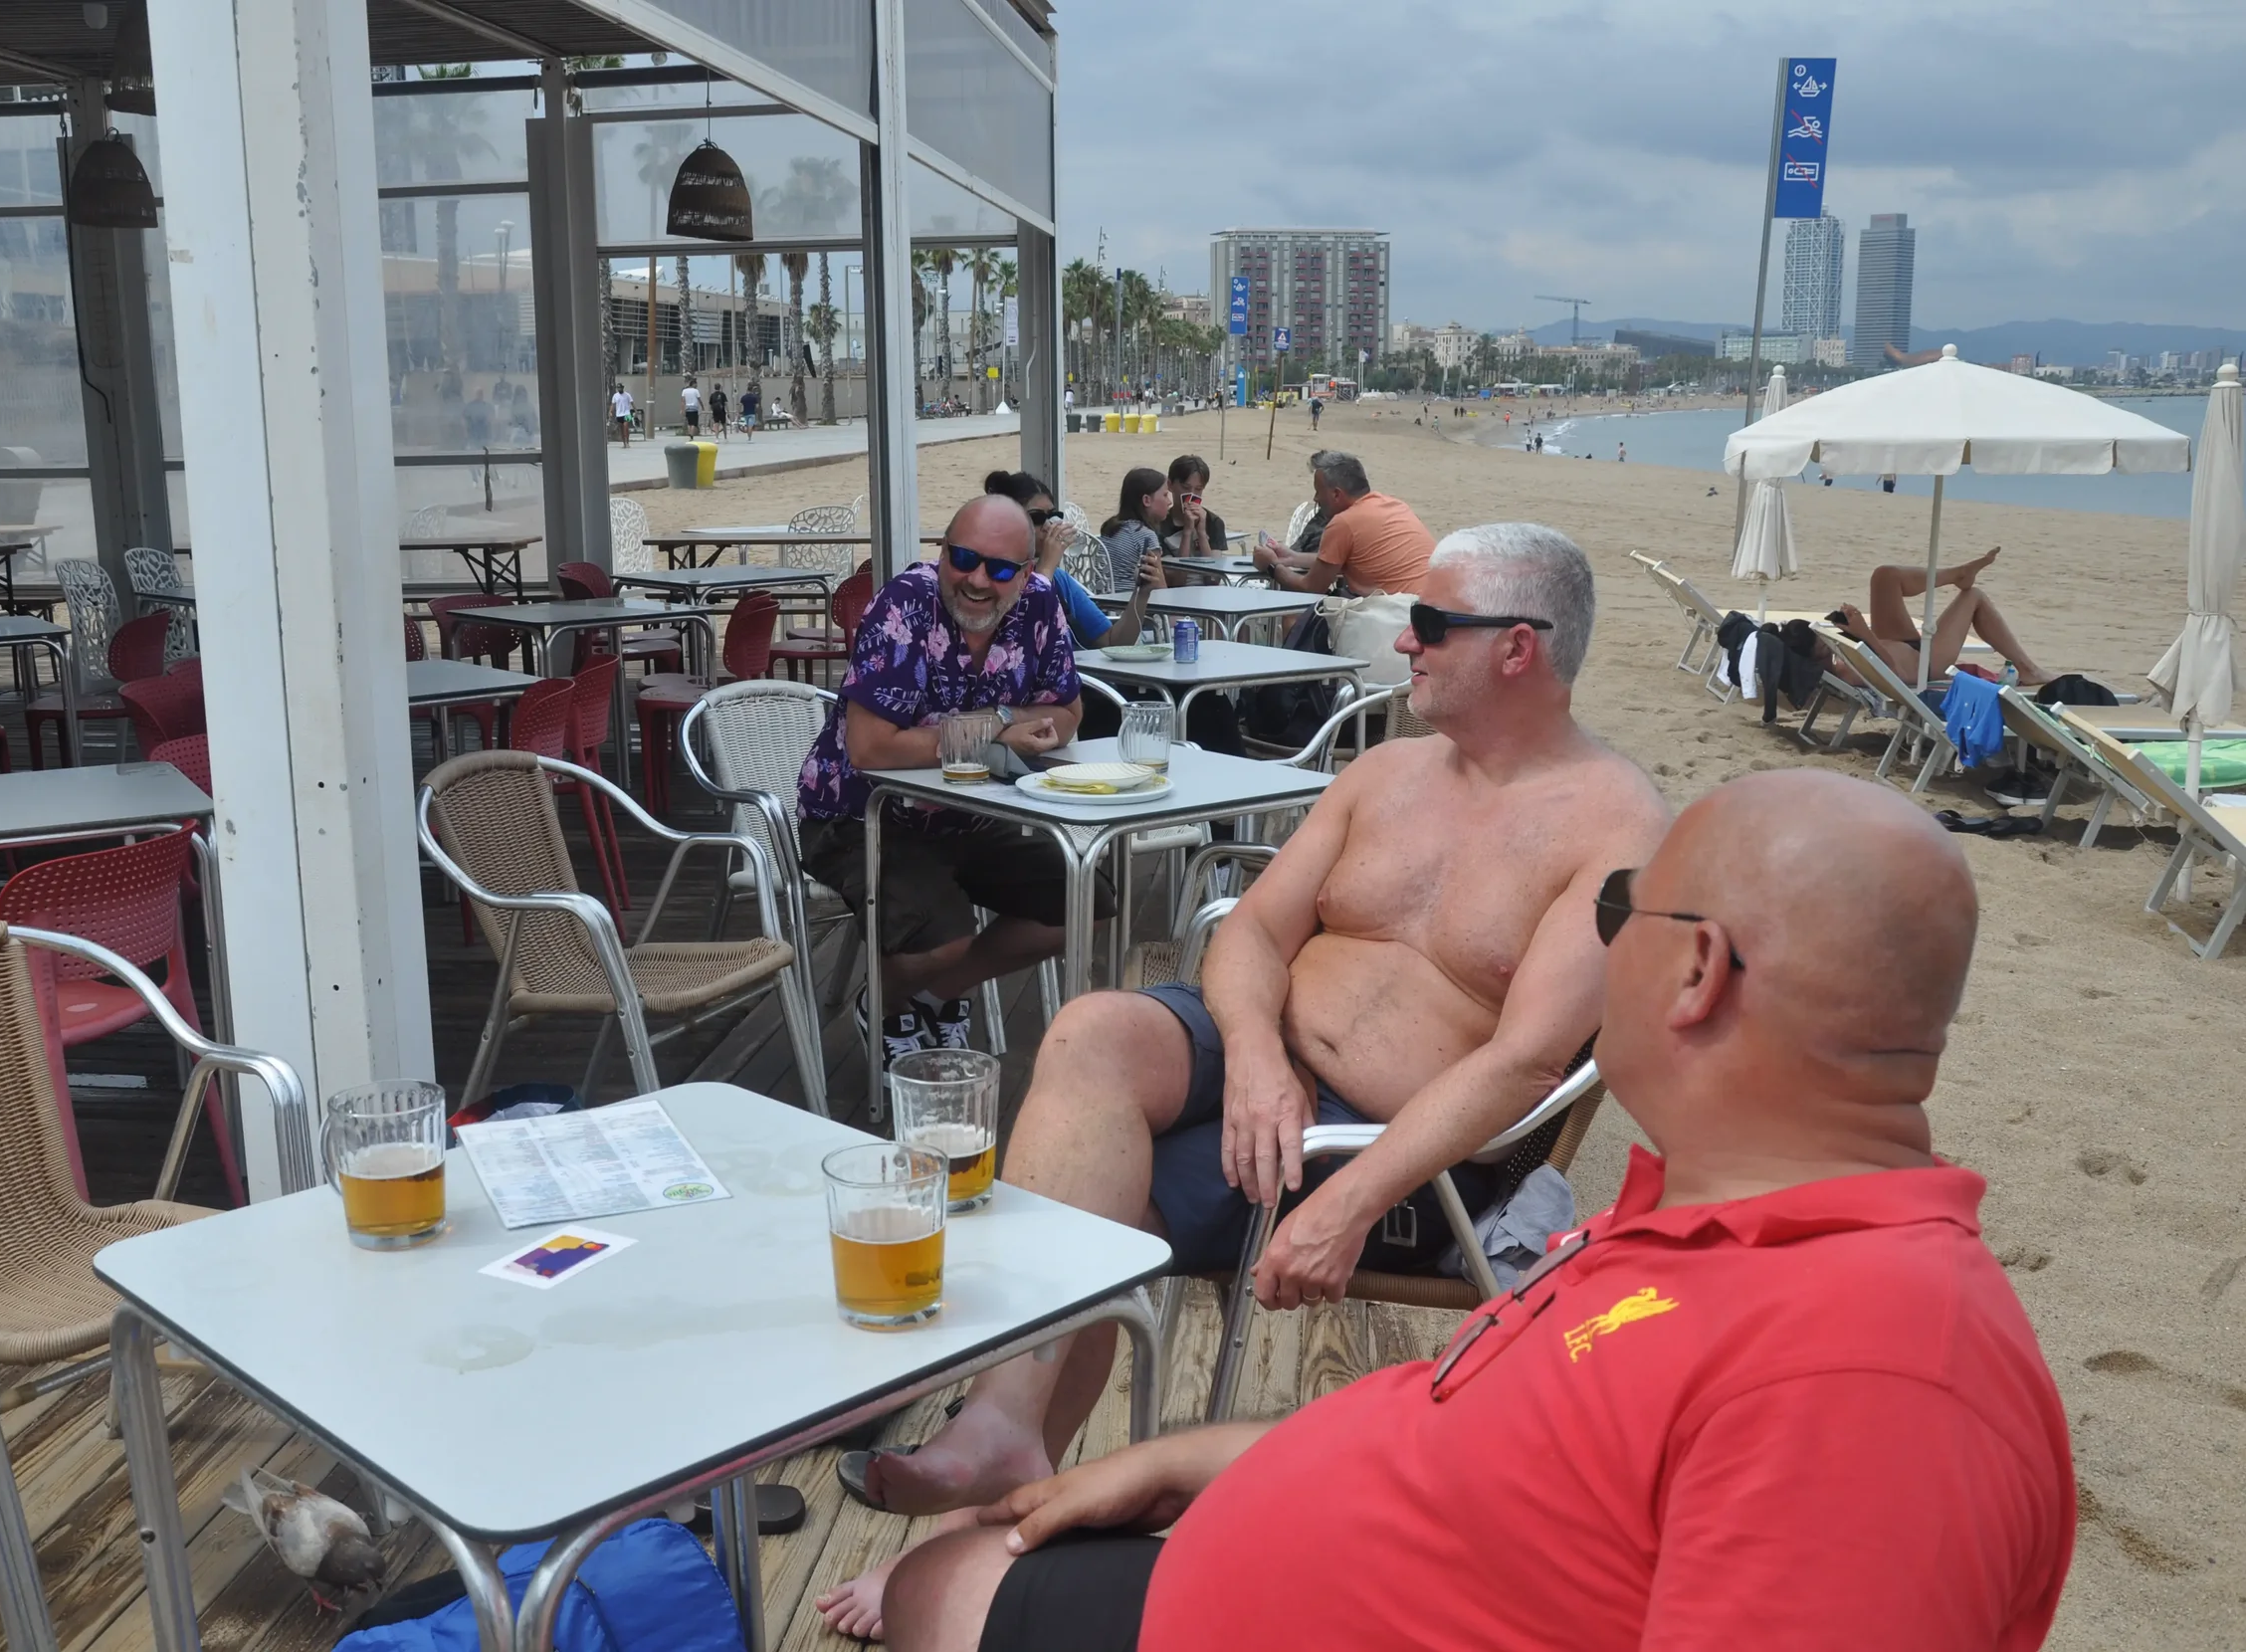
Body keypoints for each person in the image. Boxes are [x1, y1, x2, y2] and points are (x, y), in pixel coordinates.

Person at [873, 769, 2076, 1652]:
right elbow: (1515, 1475)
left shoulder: (1874, 1384)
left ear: (1698, 971)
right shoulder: (1727, 1225)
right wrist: (1208, 1460)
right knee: (951, 1575)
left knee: (946, 1590)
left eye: (1620, 918)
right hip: (1297, 1556)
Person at [817, 524, 1667, 1640]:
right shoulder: (1385, 770)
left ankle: (989, 1520)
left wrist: (1353, 1200)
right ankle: (1003, 1427)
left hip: (1394, 1148)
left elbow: (1527, 1063)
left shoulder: (1616, 826)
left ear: (1518, 648)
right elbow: (1253, 930)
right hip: (1263, 1065)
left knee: (1107, 1203)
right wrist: (1257, 1058)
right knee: (1091, 1031)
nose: (1402, 639)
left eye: (1431, 624)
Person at [797, 495, 1097, 1060]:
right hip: (860, 815)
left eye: (1001, 568)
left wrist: (1000, 720)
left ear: (1026, 573)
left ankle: (932, 997)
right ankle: (889, 1006)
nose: (978, 580)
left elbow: (1067, 713)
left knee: (1083, 901)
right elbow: (871, 748)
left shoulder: (1039, 605)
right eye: (963, 559)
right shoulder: (905, 605)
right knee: (944, 937)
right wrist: (990, 734)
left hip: (974, 812)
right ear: (942, 553)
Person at [984, 471, 1161, 651]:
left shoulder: (1059, 580)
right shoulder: (995, 579)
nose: (1049, 526)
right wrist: (1046, 566)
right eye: (1037, 518)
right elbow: (1021, 648)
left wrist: (1141, 593)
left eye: (1053, 516)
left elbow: (1113, 642)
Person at [1827, 547, 2047, 687]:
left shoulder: (1836, 659)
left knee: (1885, 575)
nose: (1822, 643)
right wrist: (1864, 633)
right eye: (1819, 645)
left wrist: (1853, 630)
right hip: (1927, 665)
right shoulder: (1845, 673)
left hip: (1898, 644)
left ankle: (1957, 574)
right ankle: (2029, 670)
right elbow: (1895, 674)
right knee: (1973, 596)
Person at [1250, 450, 1434, 597]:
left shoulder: (1344, 523)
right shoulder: (1394, 505)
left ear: (1336, 494)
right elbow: (1336, 560)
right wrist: (1292, 558)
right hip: (1429, 610)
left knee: (1294, 615)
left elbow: (1310, 588)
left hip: (1395, 618)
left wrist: (1272, 566)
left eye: (1318, 492)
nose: (1315, 498)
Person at [1097, 468, 1173, 590]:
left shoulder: (1110, 528)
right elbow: (1160, 588)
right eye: (1165, 495)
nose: (1169, 502)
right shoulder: (1145, 536)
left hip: (1103, 603)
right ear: (1147, 500)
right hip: (1131, 605)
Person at [1159, 455, 1226, 559]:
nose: (1191, 494)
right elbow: (1176, 573)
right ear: (1170, 485)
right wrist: (1187, 531)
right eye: (1185, 487)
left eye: (1198, 489)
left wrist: (1202, 533)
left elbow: (1214, 572)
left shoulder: (1213, 522)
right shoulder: (1159, 524)